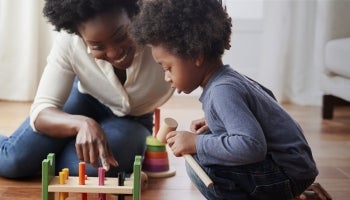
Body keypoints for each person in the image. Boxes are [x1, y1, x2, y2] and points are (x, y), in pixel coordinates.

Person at [130, 0, 331, 199]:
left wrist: (197, 143)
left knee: (201, 165)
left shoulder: (221, 91)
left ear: (196, 55)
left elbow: (252, 146)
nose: (166, 77)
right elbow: (265, 107)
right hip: (297, 168)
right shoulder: (230, 79)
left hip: (286, 175)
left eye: (167, 68)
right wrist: (218, 122)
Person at [0, 0, 173, 178]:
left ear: (135, 14)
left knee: (90, 168)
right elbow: (42, 111)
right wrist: (81, 124)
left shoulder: (163, 32)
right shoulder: (70, 42)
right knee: (13, 162)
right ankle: (35, 155)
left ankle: (42, 155)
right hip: (85, 100)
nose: (114, 53)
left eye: (121, 36)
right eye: (97, 46)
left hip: (133, 120)